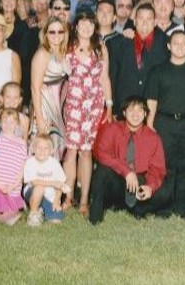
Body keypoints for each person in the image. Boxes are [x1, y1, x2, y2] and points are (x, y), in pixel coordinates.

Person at [145, 31, 185, 219]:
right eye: (176, 43)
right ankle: (163, 208)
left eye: (184, 43)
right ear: (169, 46)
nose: (180, 46)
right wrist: (150, 124)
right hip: (164, 123)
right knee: (165, 166)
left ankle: (184, 208)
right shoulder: (158, 71)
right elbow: (152, 101)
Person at [88, 97, 170, 225]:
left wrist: (150, 187)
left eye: (140, 110)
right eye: (131, 110)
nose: (135, 114)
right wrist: (126, 172)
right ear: (124, 113)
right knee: (102, 172)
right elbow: (101, 153)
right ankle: (95, 219)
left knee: (166, 190)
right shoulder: (112, 129)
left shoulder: (153, 137)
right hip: (119, 178)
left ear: (145, 114)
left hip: (140, 180)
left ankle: (137, 208)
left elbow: (158, 169)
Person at [62, 11, 113, 215]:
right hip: (73, 104)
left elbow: (105, 78)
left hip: (93, 105)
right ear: (76, 26)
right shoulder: (67, 47)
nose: (86, 27)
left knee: (86, 152)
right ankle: (68, 196)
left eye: (90, 24)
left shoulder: (101, 49)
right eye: (82, 23)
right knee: (71, 151)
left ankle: (84, 200)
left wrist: (109, 106)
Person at [106, 4, 169, 115]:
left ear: (155, 22)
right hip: (123, 110)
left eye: (149, 19)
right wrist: (113, 110)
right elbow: (112, 78)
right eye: (141, 18)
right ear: (134, 21)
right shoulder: (117, 43)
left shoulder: (166, 44)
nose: (145, 23)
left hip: (154, 112)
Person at [0, 108, 31, 225]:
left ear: (17, 124)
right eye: (5, 122)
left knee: (12, 212)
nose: (8, 125)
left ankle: (10, 213)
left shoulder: (22, 143)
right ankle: (3, 217)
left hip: (12, 186)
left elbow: (22, 167)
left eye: (11, 122)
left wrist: (14, 185)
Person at [30, 18, 71, 150]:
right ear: (45, 34)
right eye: (52, 32)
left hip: (61, 107)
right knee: (43, 149)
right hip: (45, 107)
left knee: (59, 149)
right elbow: (35, 88)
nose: (56, 35)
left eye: (60, 31)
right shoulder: (42, 53)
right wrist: (40, 118)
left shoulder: (65, 52)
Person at [23, 133, 68, 227]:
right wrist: (52, 183)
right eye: (39, 147)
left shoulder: (54, 163)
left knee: (56, 220)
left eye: (46, 148)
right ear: (33, 149)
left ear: (51, 151)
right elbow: (34, 182)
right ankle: (34, 213)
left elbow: (60, 184)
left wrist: (56, 201)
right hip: (33, 191)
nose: (42, 151)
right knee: (39, 188)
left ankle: (43, 210)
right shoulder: (30, 162)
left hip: (50, 195)